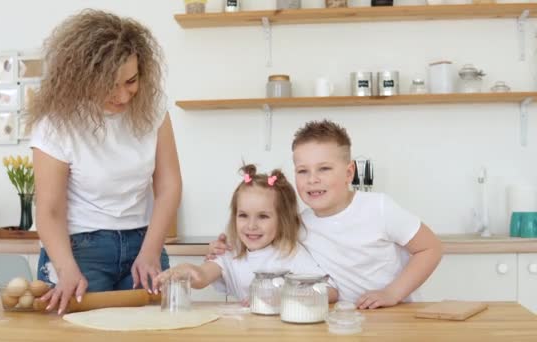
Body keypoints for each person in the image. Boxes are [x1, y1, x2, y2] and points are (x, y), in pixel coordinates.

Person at [27, 9, 181, 315]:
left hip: (143, 242)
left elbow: (169, 186)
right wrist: (66, 268)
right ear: (83, 78)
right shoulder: (56, 124)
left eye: (131, 81)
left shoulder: (152, 110)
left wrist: (151, 251)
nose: (123, 96)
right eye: (110, 85)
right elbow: (50, 210)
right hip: (78, 250)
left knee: (153, 332)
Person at [208, 120, 442, 309]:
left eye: (324, 168)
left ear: (349, 172)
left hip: (393, 315)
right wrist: (223, 247)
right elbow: (259, 242)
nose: (312, 179)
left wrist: (392, 293)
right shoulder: (299, 225)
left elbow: (430, 248)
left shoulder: (378, 208)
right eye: (303, 171)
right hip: (340, 319)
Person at [153, 164, 337, 304]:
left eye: (263, 216)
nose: (251, 225)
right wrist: (186, 270)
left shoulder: (291, 254)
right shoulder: (230, 254)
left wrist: (284, 297)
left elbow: (330, 291)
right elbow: (201, 276)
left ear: (282, 220)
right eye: (243, 215)